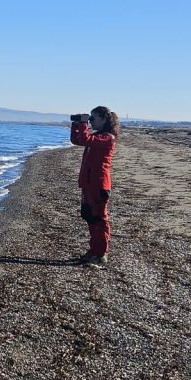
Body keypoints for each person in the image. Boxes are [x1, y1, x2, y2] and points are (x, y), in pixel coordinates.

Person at [69, 106, 119, 265]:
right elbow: (77, 140)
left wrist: (84, 124)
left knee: (99, 219)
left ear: (104, 119)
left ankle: (101, 253)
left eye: (93, 118)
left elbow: (85, 139)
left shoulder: (107, 138)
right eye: (89, 118)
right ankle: (94, 250)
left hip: (99, 185)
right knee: (90, 217)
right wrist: (76, 125)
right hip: (88, 184)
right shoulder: (98, 137)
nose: (91, 121)